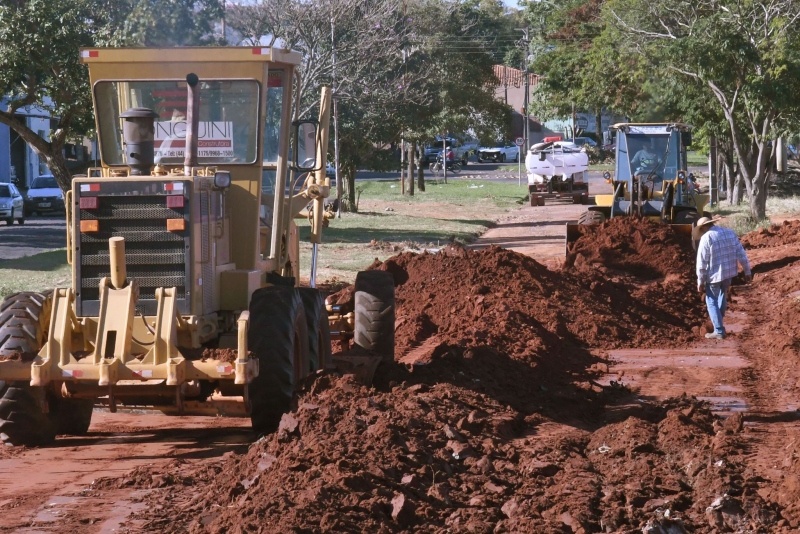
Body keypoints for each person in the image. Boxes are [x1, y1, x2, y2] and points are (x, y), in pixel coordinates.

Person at [694, 217, 752, 339]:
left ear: (703, 227)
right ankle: (718, 324)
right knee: (722, 295)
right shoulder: (730, 233)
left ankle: (719, 331)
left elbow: (702, 262)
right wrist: (747, 271)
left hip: (714, 275)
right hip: (728, 273)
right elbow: (741, 253)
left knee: (711, 301)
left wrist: (700, 280)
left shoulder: (706, 237)